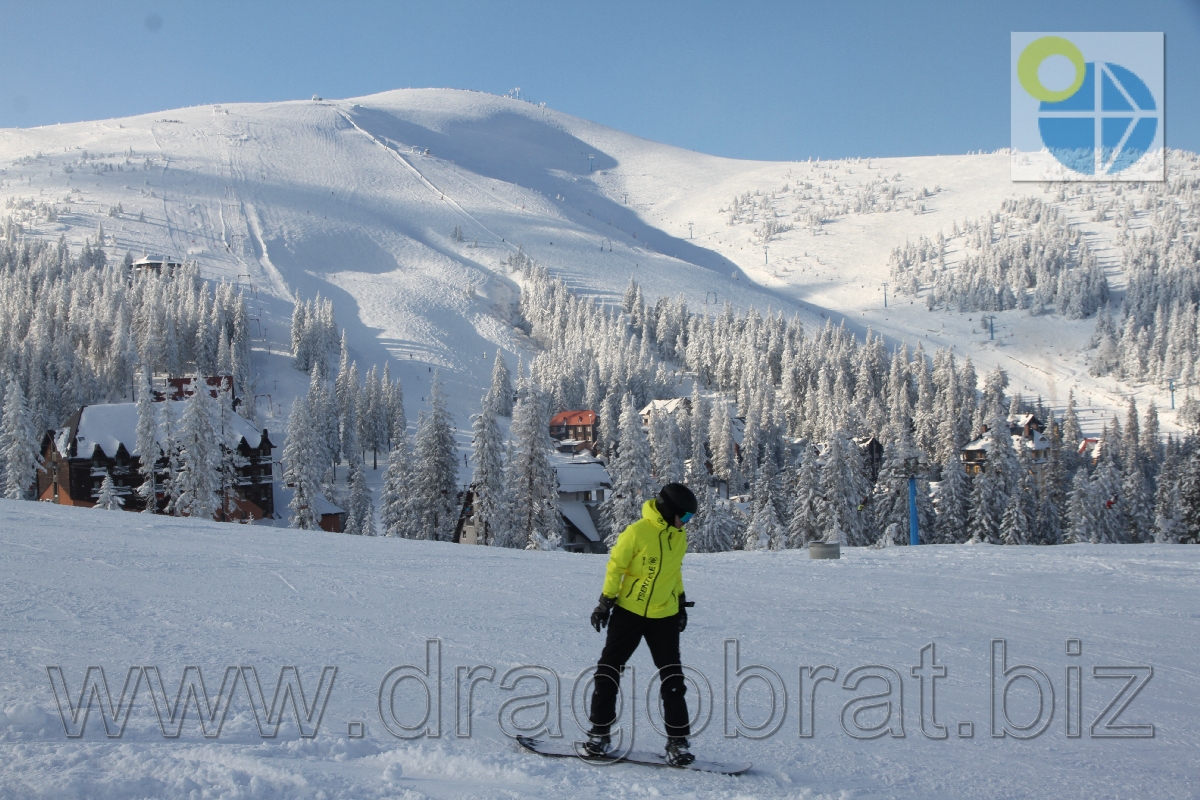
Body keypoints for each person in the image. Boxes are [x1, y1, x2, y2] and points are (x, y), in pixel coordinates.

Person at [585, 482, 698, 766]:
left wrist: (681, 602)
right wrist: (605, 602)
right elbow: (616, 567)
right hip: (629, 613)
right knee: (608, 670)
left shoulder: (678, 536)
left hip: (665, 616)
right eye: (683, 516)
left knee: (673, 678)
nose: (686, 523)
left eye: (689, 519)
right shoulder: (636, 533)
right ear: (668, 509)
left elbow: (674, 571)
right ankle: (600, 733)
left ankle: (677, 742)